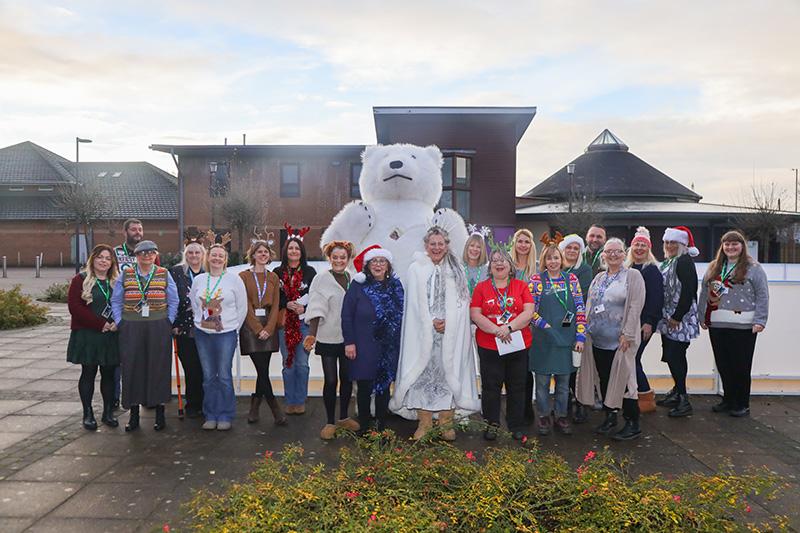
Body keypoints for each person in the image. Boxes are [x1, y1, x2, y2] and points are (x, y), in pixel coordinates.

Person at [391, 227, 481, 441]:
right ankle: (424, 423)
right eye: (433, 244)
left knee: (448, 375)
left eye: (441, 244)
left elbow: (462, 302)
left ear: (447, 245)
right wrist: (429, 322)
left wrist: (449, 323)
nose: (437, 248)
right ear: (426, 245)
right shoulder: (416, 269)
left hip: (450, 334)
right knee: (422, 375)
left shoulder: (457, 268)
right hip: (423, 334)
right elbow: (412, 305)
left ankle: (446, 423)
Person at [577, 238, 646, 441]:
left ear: (624, 254)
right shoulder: (599, 278)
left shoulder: (632, 276)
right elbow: (590, 304)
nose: (613, 255)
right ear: (603, 255)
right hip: (598, 340)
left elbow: (635, 306)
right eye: (608, 252)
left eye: (617, 251)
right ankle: (610, 417)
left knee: (625, 381)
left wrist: (628, 334)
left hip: (621, 341)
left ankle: (633, 423)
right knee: (605, 380)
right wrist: (585, 331)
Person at [699, 230, 769, 417]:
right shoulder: (715, 266)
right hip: (717, 324)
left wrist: (760, 320)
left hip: (743, 325)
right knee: (723, 364)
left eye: (734, 244)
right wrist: (701, 317)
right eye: (727, 244)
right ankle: (728, 399)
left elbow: (762, 294)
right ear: (722, 247)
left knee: (741, 365)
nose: (730, 247)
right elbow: (704, 292)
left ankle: (742, 403)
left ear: (742, 246)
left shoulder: (754, 267)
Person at [110, 240, 178, 432]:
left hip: (158, 326)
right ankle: (133, 416)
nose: (146, 256)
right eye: (142, 253)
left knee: (158, 367)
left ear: (155, 255)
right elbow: (116, 299)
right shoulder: (126, 273)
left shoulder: (164, 273)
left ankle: (160, 414)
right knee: (132, 367)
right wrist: (120, 320)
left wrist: (168, 321)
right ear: (136, 256)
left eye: (150, 253)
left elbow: (174, 299)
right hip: (131, 326)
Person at [470, 247, 535, 440]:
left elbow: (528, 311)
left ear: (510, 266)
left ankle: (516, 424)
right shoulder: (481, 287)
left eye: (503, 260)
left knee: (517, 385)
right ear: (490, 267)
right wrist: (496, 330)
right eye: (495, 261)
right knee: (491, 386)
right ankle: (492, 423)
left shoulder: (521, 286)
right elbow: (475, 314)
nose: (499, 264)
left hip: (517, 344)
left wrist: (508, 328)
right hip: (489, 345)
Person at [341, 246, 404, 434]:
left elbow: (403, 315)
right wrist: (349, 342)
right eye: (374, 261)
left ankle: (382, 425)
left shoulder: (396, 287)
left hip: (388, 345)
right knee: (364, 386)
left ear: (388, 265)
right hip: (362, 345)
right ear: (367, 265)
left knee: (384, 387)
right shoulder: (358, 286)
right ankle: (365, 425)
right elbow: (346, 315)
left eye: (382, 261)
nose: (378, 265)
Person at [528, 236, 586, 436]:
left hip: (567, 340)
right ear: (544, 260)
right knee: (542, 383)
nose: (553, 261)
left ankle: (561, 415)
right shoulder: (536, 281)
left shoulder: (572, 280)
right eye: (549, 258)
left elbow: (580, 309)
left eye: (556, 258)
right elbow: (530, 312)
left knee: (563, 384)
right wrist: (547, 327)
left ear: (561, 259)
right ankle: (543, 415)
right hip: (543, 340)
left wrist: (580, 337)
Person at [303, 240, 360, 439]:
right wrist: (312, 333)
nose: (338, 260)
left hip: (348, 338)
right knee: (330, 379)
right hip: (327, 337)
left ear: (348, 258)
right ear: (329, 258)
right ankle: (329, 421)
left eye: (342, 257)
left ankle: (343, 417)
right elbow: (316, 306)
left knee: (346, 379)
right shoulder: (320, 279)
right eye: (335, 257)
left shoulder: (353, 278)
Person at [190, 244, 248, 431]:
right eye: (213, 255)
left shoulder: (234, 280)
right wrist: (200, 323)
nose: (216, 258)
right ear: (208, 258)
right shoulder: (200, 279)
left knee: (223, 375)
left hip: (226, 334)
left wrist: (233, 328)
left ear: (225, 259)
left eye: (220, 256)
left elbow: (242, 307)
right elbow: (194, 303)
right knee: (208, 376)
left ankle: (225, 414)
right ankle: (210, 414)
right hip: (203, 334)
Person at [67, 244, 120, 430]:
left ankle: (107, 413)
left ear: (112, 261)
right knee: (88, 373)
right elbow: (75, 307)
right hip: (88, 335)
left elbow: (125, 304)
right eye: (100, 257)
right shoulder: (79, 279)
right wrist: (100, 324)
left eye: (107, 258)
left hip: (111, 335)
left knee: (109, 375)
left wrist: (117, 322)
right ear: (93, 259)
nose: (103, 261)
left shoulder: (117, 281)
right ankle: (88, 413)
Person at [238, 240, 286, 426]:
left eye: (266, 252)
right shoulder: (243, 276)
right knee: (262, 369)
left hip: (269, 325)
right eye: (259, 252)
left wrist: (269, 328)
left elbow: (275, 306)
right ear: (253, 255)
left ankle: (255, 406)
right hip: (251, 327)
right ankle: (274, 407)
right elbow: (245, 305)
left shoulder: (273, 277)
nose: (263, 255)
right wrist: (258, 329)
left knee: (263, 370)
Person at [655, 226, 700, 417]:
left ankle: (683, 397)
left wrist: (677, 316)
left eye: (673, 242)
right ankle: (677, 390)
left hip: (679, 319)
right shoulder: (668, 262)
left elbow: (689, 291)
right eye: (667, 242)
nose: (669, 245)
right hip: (668, 319)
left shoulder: (684, 262)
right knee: (671, 355)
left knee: (676, 356)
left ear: (682, 244)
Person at [274, 226, 317, 415]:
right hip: (285, 323)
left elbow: (316, 295)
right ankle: (290, 400)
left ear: (302, 252)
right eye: (291, 248)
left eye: (297, 248)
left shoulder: (310, 271)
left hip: (304, 324)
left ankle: (300, 399)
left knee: (302, 363)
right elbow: (274, 296)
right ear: (286, 251)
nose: (294, 251)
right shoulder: (277, 271)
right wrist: (288, 303)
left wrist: (304, 308)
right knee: (288, 363)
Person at [625, 226, 664, 413]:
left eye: (643, 245)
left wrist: (649, 321)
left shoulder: (652, 270)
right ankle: (636, 395)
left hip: (643, 323)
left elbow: (656, 299)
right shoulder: (628, 268)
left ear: (648, 248)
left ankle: (645, 397)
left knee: (633, 358)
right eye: (636, 245)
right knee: (630, 359)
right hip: (628, 322)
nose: (639, 248)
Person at [558, 233, 593, 423]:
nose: (572, 251)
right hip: (556, 324)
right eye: (569, 247)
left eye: (576, 248)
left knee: (576, 364)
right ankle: (564, 400)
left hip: (574, 323)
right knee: (561, 364)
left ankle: (580, 402)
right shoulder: (556, 267)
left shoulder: (584, 270)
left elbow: (583, 295)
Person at [169, 241, 206, 418]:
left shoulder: (208, 273)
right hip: (184, 327)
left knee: (204, 367)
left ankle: (206, 403)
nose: (193, 256)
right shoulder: (176, 272)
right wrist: (173, 323)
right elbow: (170, 299)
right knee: (191, 368)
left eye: (197, 252)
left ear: (202, 255)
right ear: (186, 254)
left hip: (206, 327)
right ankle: (192, 403)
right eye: (190, 253)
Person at [511, 228, 538, 420]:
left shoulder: (537, 268)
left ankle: (526, 410)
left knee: (527, 371)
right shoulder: (506, 267)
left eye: (526, 242)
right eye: (519, 241)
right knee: (511, 371)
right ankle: (513, 409)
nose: (523, 245)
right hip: (509, 325)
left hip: (531, 327)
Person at [463, 226, 489, 297]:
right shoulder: (459, 268)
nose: (475, 249)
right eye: (472, 245)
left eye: (478, 247)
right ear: (467, 247)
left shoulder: (487, 271)